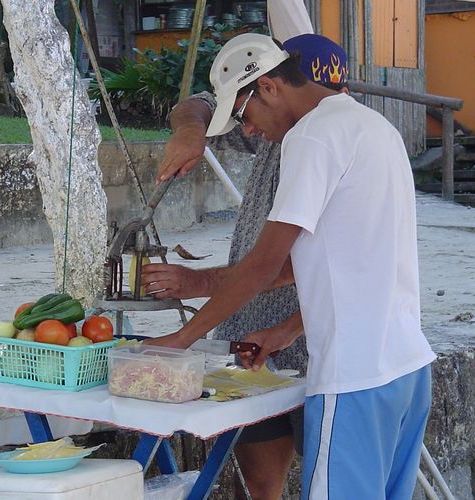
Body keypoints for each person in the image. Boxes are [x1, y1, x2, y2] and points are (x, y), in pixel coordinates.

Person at [146, 33, 437, 499]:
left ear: (269, 87)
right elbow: (359, 265)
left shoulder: (312, 135)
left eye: (243, 115)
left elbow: (264, 265)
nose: (248, 130)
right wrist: (285, 331)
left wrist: (182, 339)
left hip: (354, 380)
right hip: (408, 370)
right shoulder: (375, 127)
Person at [143, 34, 350, 500]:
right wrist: (191, 131)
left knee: (332, 480)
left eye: (246, 117)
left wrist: (196, 291)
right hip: (255, 341)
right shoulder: (275, 124)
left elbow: (286, 265)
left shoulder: (325, 142)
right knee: (259, 486)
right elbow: (197, 103)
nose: (248, 131)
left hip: (320, 355)